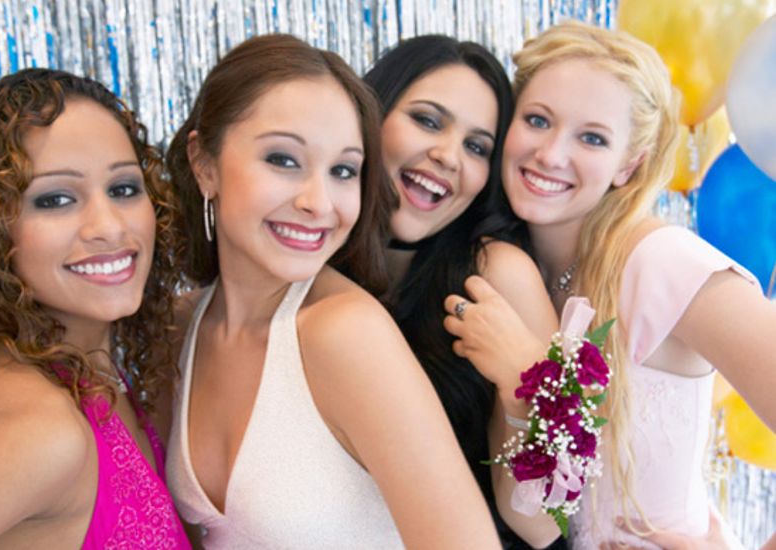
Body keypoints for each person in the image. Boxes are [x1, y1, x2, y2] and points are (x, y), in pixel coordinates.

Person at [443, 20, 776, 549]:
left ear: (630, 164)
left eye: (592, 138)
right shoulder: (515, 272)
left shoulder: (663, 263)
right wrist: (522, 383)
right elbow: (535, 522)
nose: (551, 154)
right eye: (537, 120)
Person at [164, 34, 501, 549]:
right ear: (204, 163)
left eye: (343, 170)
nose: (318, 203)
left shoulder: (345, 333)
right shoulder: (182, 326)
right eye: (283, 159)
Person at [0, 69, 191, 549]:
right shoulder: (37, 425)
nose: (107, 226)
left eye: (124, 189)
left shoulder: (91, 371)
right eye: (56, 199)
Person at [364, 35, 562, 549]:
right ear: (370, 115)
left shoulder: (496, 274)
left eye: (477, 147)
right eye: (428, 121)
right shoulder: (307, 263)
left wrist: (520, 381)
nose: (448, 156)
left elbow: (542, 527)